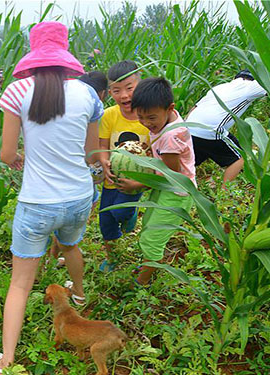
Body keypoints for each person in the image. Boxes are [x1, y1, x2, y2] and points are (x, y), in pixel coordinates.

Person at [0, 21, 104, 375]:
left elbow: (6, 154)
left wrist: (23, 157)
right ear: (66, 54)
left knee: (21, 283)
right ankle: (80, 295)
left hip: (38, 203)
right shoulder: (88, 95)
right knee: (71, 245)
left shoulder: (17, 91)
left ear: (33, 54)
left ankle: (7, 362)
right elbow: (92, 153)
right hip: (79, 196)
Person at [121, 77, 196, 285]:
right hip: (166, 187)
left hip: (176, 192)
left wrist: (137, 184)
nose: (146, 123)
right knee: (149, 224)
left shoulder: (172, 135)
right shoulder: (167, 120)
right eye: (141, 118)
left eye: (151, 118)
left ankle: (142, 282)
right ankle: (148, 262)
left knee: (153, 237)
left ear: (169, 107)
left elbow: (169, 175)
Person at [96, 60, 151, 273]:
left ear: (140, 84)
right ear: (110, 92)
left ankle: (130, 214)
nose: (124, 95)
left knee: (120, 212)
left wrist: (142, 180)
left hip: (135, 180)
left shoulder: (149, 115)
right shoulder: (109, 114)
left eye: (130, 88)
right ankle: (113, 257)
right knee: (106, 221)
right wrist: (103, 161)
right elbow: (102, 145)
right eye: (117, 91)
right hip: (112, 177)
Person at [49, 70, 108, 265]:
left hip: (53, 174)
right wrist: (100, 171)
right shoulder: (93, 107)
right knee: (72, 219)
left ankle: (53, 255)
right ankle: (63, 252)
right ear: (103, 94)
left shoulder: (62, 104)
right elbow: (91, 154)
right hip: (79, 177)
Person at [187, 69, 267, 183]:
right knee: (240, 157)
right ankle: (223, 195)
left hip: (190, 125)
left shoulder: (220, 87)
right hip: (212, 129)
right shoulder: (251, 86)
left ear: (234, 78)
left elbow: (195, 107)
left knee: (190, 161)